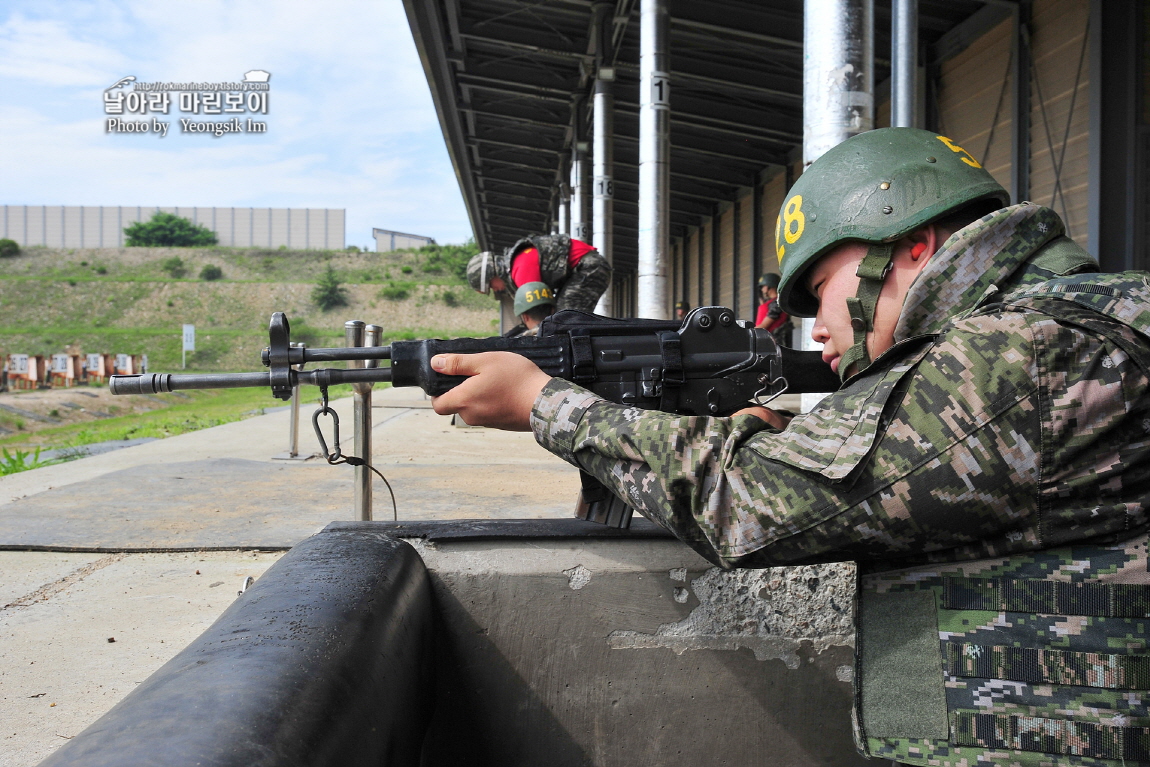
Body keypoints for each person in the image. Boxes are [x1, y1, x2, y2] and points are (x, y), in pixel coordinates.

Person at [430, 128, 1150, 767]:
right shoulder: (1083, 317)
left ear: (912, 249)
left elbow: (748, 503)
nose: (816, 328)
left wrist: (548, 404)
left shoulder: (1019, 354)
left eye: (822, 286)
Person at [466, 234, 611, 314]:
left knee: (566, 318)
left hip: (589, 268)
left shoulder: (520, 272)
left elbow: (538, 313)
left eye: (491, 286)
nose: (496, 290)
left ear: (493, 274)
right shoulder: (517, 262)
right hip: (586, 268)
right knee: (563, 317)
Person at [753, 273, 793, 346]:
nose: (762, 289)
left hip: (774, 344)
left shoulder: (777, 303)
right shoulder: (773, 303)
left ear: (769, 286)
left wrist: (748, 333)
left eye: (763, 286)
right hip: (768, 342)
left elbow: (764, 325)